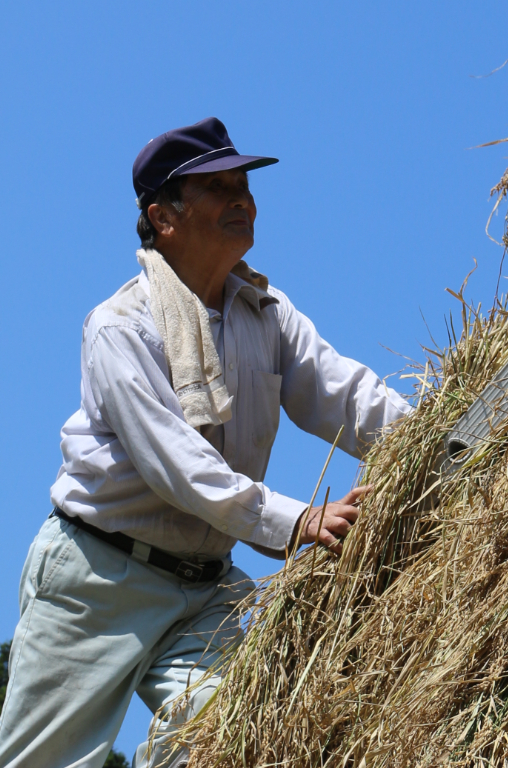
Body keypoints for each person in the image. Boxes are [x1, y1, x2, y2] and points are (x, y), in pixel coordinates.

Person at [0, 117, 412, 768]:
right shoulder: (120, 329)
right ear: (164, 217)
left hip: (202, 590)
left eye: (244, 186)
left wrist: (428, 438)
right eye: (219, 188)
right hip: (97, 581)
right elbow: (181, 469)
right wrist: (298, 519)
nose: (242, 200)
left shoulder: (265, 314)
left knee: (223, 738)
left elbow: (342, 392)